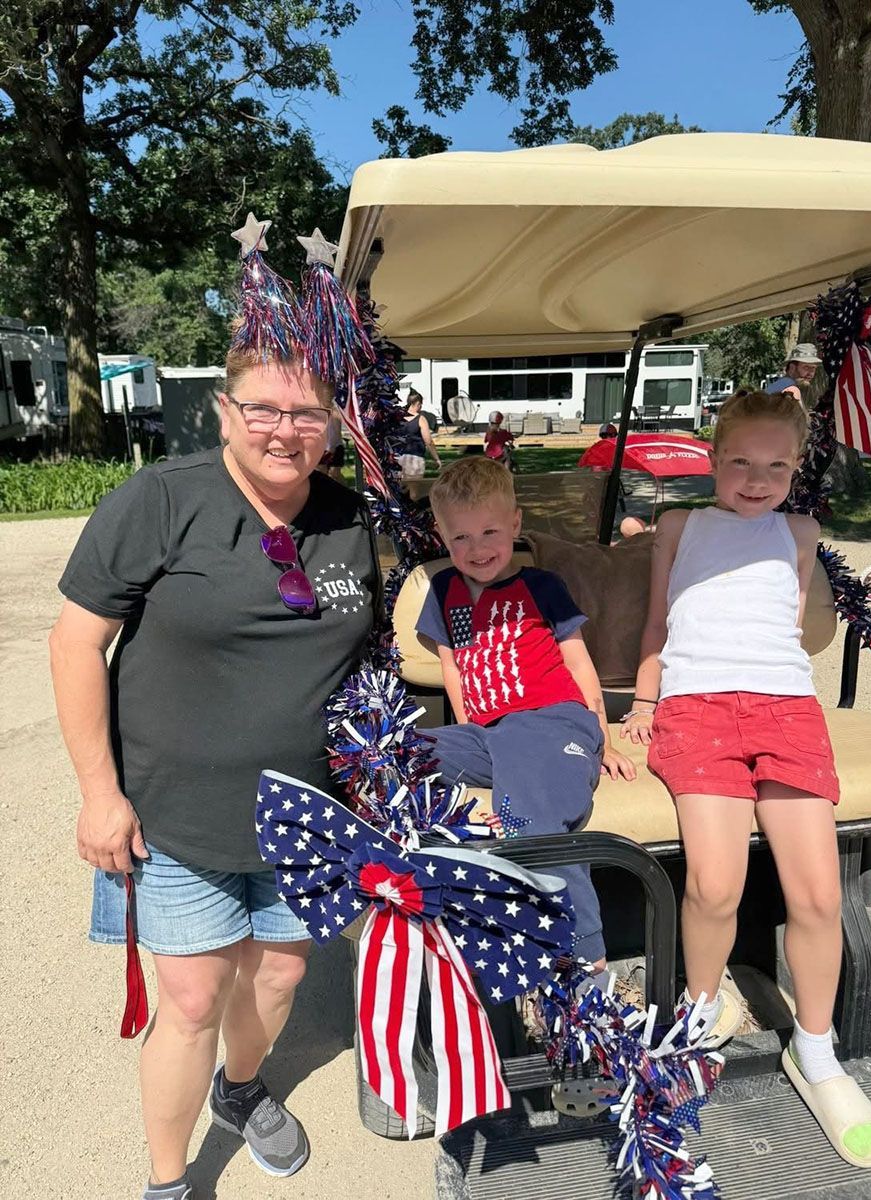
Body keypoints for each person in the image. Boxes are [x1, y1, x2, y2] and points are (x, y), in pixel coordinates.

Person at [50, 226, 382, 1200]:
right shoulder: (160, 500)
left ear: (332, 420)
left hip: (306, 822)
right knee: (191, 999)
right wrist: (97, 795)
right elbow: (76, 643)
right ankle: (168, 1183)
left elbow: (404, 648)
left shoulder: (355, 524)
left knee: (275, 982)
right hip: (175, 820)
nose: (286, 429)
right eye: (264, 408)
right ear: (226, 411)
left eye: (308, 411)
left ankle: (244, 1091)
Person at [622, 390, 871, 1169]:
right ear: (713, 460)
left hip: (786, 711)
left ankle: (815, 1047)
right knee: (714, 886)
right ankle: (701, 1017)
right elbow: (659, 621)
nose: (754, 478)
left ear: (796, 469)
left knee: (815, 894)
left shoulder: (800, 532)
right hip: (698, 709)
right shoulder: (680, 526)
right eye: (739, 461)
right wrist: (644, 699)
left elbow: (781, 629)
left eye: (775, 465)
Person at [416, 457, 636, 972]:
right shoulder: (445, 590)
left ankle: (584, 959)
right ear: (442, 537)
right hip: (491, 734)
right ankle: (432, 913)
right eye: (461, 538)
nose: (477, 549)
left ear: (515, 524)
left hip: (554, 718)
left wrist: (601, 736)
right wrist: (470, 728)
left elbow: (578, 663)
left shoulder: (541, 585)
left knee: (529, 818)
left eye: (490, 531)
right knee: (398, 754)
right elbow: (454, 669)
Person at [398, 388, 441, 477]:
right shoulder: (421, 419)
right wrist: (436, 458)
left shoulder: (398, 417)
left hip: (398, 457)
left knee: (400, 488)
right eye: (421, 404)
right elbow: (428, 441)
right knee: (414, 488)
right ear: (417, 404)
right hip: (415, 458)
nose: (421, 407)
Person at [318, 408, 346, 481]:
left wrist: (331, 448)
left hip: (336, 446)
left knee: (335, 474)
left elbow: (337, 432)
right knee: (321, 473)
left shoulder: (334, 412)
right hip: (321, 448)